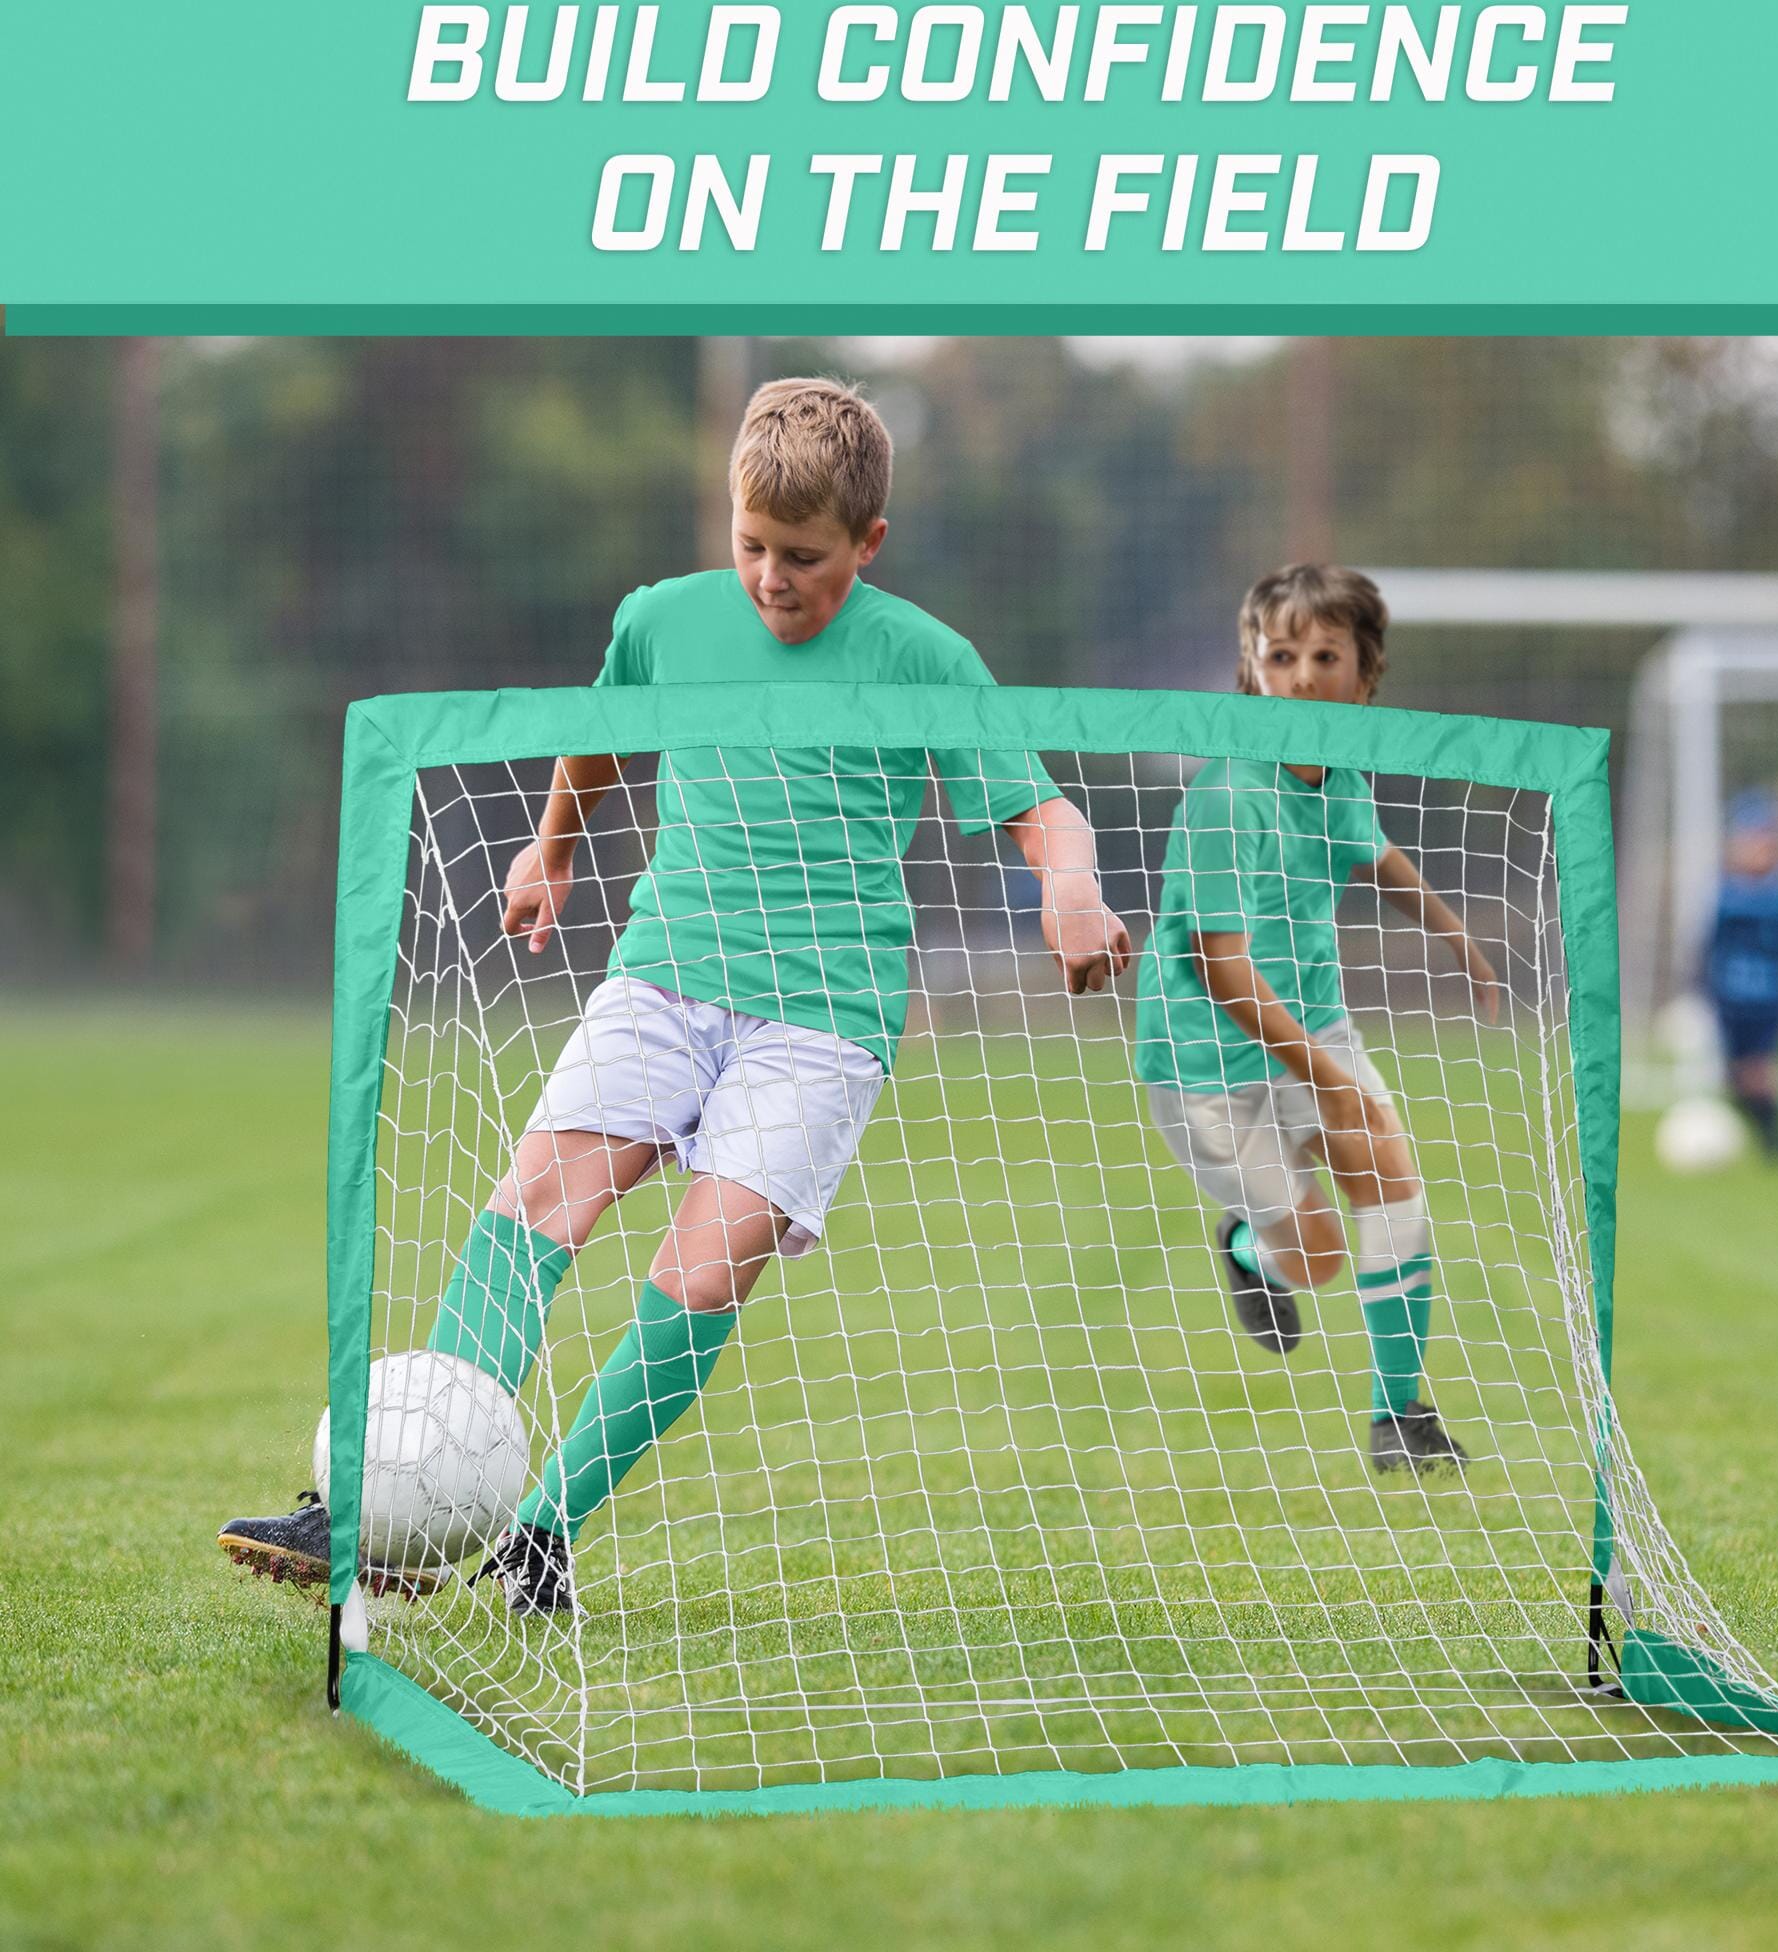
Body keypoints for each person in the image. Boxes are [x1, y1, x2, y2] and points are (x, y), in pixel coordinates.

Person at [220, 377, 1132, 1610]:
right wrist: (553, 844)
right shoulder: (663, 618)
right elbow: (602, 731)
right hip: (663, 974)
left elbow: (1043, 810)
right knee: (536, 1199)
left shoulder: (926, 659)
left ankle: (540, 1532)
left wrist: (1068, 893)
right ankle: (377, 1502)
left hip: (821, 1021)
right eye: (750, 545)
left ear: (868, 544)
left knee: (704, 1272)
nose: (770, 577)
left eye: (802, 557)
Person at [1132, 564, 1500, 1474]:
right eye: (1280, 654)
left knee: (1391, 1173)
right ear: (1250, 670)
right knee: (1319, 1258)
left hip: (1315, 1026)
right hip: (1205, 1059)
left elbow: (1375, 858)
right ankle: (1248, 1246)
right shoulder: (1227, 797)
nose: (1301, 675)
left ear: (1366, 677)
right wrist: (1327, 1078)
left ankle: (1400, 1419)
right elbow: (1223, 974)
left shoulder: (1335, 775)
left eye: (1325, 654)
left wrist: (1454, 933)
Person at [1703, 789, 1778, 1161]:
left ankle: (1776, 1144)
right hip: (1729, 999)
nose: (1761, 848)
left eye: (1767, 840)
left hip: (1768, 1000)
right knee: (1736, 1077)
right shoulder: (1723, 894)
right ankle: (1755, 1125)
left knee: (1762, 1071)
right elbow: (1706, 948)